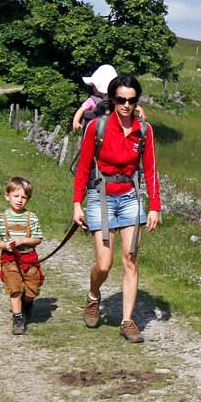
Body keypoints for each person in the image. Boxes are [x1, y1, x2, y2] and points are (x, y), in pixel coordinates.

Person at [72, 73, 159, 343]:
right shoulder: (97, 127)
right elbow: (84, 167)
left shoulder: (144, 131)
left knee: (130, 261)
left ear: (136, 102)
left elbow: (151, 169)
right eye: (120, 99)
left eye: (131, 100)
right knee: (104, 264)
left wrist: (154, 206)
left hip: (130, 197)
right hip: (101, 196)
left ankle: (127, 321)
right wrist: (77, 204)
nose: (126, 105)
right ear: (112, 99)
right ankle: (94, 295)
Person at [0, 176, 44, 335]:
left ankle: (27, 304)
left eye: (24, 197)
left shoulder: (31, 218)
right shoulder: (0, 218)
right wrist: (4, 245)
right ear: (7, 196)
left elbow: (38, 238)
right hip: (9, 259)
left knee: (32, 288)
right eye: (16, 196)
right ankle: (18, 317)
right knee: (15, 287)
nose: (19, 200)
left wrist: (24, 240)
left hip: (29, 258)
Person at [71, 64, 118, 133]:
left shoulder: (115, 99)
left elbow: (127, 103)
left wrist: (139, 109)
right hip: (95, 130)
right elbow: (81, 109)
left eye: (94, 86)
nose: (93, 88)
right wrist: (76, 121)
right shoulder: (91, 100)